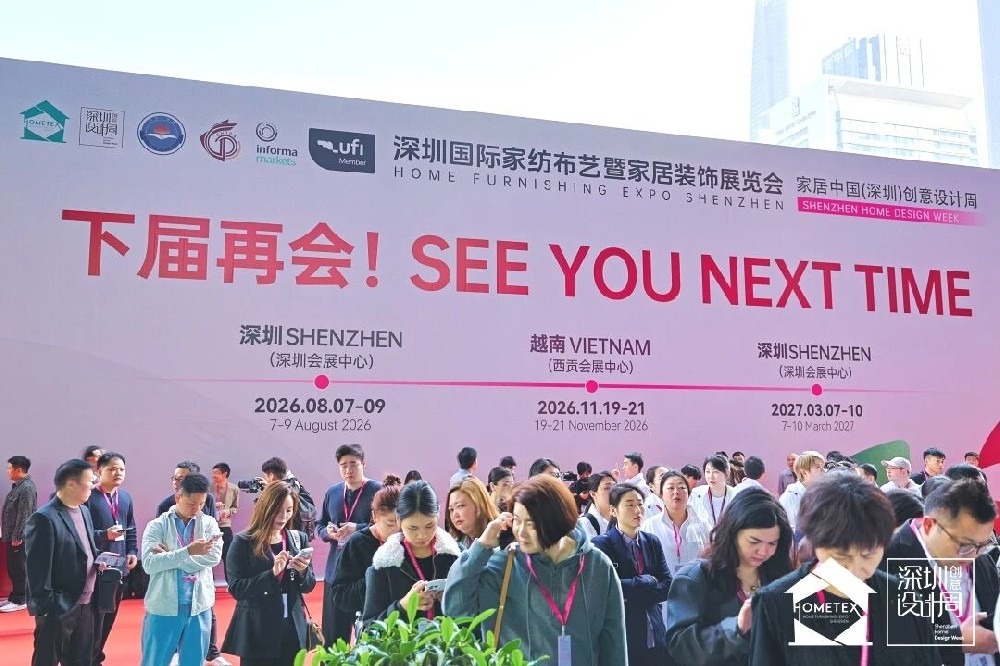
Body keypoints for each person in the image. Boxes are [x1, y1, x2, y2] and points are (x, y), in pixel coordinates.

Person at [750, 471, 942, 665]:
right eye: (840, 557)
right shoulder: (775, 604)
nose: (854, 568)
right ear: (814, 542)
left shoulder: (905, 598)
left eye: (868, 554)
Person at [444, 474, 628, 665]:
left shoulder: (597, 566)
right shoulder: (505, 564)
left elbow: (614, 645)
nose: (521, 532)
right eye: (517, 520)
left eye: (531, 523)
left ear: (556, 520)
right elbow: (456, 609)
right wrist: (481, 548)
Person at [664, 488, 793, 665]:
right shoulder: (696, 577)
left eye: (772, 543)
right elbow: (681, 645)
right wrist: (736, 628)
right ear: (732, 533)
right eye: (754, 541)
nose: (763, 551)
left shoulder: (780, 575)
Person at [881, 478, 1000, 663]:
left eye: (984, 545)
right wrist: (954, 640)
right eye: (964, 545)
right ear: (929, 525)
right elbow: (884, 642)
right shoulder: (886, 561)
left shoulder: (981, 557)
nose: (973, 556)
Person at [222, 481, 316, 666]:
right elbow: (237, 589)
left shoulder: (298, 539)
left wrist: (303, 571)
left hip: (291, 629)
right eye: (278, 510)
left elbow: (308, 586)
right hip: (257, 631)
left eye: (289, 510)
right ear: (266, 508)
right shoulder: (243, 542)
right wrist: (272, 574)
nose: (283, 517)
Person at [140, 473, 222, 666]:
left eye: (201, 504)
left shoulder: (209, 523)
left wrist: (171, 556)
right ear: (178, 497)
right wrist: (188, 551)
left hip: (199, 606)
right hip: (164, 606)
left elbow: (213, 558)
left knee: (194, 662)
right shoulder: (157, 526)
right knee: (155, 661)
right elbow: (150, 564)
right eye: (192, 503)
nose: (197, 509)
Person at [25, 459, 100, 666]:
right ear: (71, 484)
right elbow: (36, 570)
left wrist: (99, 560)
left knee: (81, 660)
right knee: (47, 660)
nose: (94, 485)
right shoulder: (44, 518)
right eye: (90, 480)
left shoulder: (84, 511)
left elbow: (84, 549)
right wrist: (49, 606)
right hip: (60, 606)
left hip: (86, 603)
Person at [593, 484, 671, 665]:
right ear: (614, 510)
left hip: (655, 631)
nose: (637, 510)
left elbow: (667, 584)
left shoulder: (651, 541)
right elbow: (606, 588)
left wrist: (630, 596)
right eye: (629, 504)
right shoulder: (601, 545)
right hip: (623, 634)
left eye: (640, 503)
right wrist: (647, 581)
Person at [362, 481, 460, 624]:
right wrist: (403, 606)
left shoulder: (456, 557)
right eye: (413, 528)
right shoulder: (384, 564)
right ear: (398, 520)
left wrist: (454, 602)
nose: (422, 535)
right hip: (404, 640)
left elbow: (474, 616)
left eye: (429, 526)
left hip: (449, 638)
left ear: (438, 515)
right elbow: (369, 629)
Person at [317, 444, 381, 645]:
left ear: (364, 464)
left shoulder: (378, 491)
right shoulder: (333, 492)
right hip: (335, 572)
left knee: (369, 635)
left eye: (353, 464)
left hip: (365, 571)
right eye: (343, 465)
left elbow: (387, 525)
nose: (348, 470)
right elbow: (320, 524)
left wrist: (357, 528)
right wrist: (327, 533)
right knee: (333, 637)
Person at [329, 477, 402, 639]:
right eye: (390, 523)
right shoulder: (357, 543)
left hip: (404, 621)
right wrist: (376, 580)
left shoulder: (406, 539)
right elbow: (341, 595)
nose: (397, 530)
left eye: (401, 523)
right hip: (372, 626)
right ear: (375, 516)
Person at [84, 452, 138, 665]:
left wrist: (132, 551)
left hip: (118, 567)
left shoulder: (125, 497)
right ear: (99, 471)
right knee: (93, 618)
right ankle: (87, 658)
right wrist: (104, 535)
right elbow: (82, 533)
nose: (118, 473)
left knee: (109, 616)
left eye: (121, 469)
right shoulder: (89, 497)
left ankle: (96, 656)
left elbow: (131, 526)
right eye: (112, 469)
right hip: (95, 568)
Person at [642, 470, 710, 576]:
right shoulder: (649, 526)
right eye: (670, 488)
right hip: (662, 585)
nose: (676, 492)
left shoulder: (703, 526)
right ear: (661, 495)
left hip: (696, 584)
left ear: (689, 493)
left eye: (681, 487)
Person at [2, 454, 36, 613]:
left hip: (19, 537)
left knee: (19, 568)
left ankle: (21, 599)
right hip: (12, 535)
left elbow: (25, 514)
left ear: (19, 470)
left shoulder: (27, 488)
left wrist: (18, 535)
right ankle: (14, 596)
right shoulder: (18, 486)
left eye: (9, 468)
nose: (7, 471)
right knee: (14, 567)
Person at [445, 476, 503, 549]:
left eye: (460, 506)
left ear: (479, 505)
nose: (455, 514)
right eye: (451, 509)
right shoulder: (455, 544)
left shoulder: (502, 540)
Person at [777, 450, 824, 532]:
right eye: (817, 467)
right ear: (804, 471)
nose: (823, 470)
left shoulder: (823, 494)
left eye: (822, 467)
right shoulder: (788, 497)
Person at [689, 454, 737, 529]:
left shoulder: (736, 496)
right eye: (708, 472)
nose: (711, 476)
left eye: (715, 472)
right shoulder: (697, 494)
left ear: (726, 473)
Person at [210, 463, 240, 575]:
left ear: (225, 474)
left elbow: (235, 508)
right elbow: (203, 505)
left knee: (228, 556)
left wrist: (228, 512)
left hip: (225, 526)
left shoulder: (234, 488)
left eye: (216, 473)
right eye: (213, 473)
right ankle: (210, 581)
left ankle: (230, 581)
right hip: (210, 526)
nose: (213, 475)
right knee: (208, 554)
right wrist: (214, 506)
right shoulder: (208, 488)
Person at [579, 470, 615, 539]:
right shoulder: (585, 523)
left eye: (615, 487)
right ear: (593, 494)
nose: (613, 491)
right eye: (607, 488)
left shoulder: (620, 517)